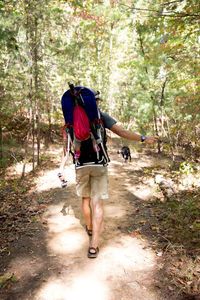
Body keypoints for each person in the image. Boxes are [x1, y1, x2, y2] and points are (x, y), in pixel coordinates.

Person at [58, 89, 157, 259]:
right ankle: (94, 246)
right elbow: (123, 133)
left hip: (81, 165)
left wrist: (62, 168)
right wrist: (143, 138)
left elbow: (66, 148)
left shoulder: (71, 118)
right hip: (99, 164)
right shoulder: (101, 116)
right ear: (94, 101)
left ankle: (89, 227)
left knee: (85, 200)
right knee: (97, 204)